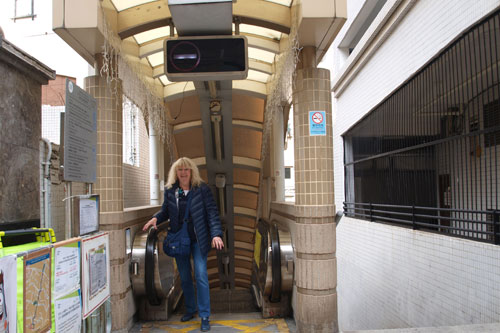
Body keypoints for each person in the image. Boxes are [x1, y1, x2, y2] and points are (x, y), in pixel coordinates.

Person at [143, 157, 224, 332]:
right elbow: (166, 210)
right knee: (185, 277)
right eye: (180, 170)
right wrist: (156, 217)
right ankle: (190, 309)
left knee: (201, 275)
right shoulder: (171, 191)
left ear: (192, 171)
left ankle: (204, 315)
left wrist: (216, 234)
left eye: (186, 169)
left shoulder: (202, 189)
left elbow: (211, 213)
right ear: (176, 173)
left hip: (198, 240)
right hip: (179, 241)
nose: (183, 172)